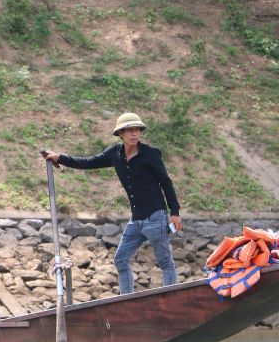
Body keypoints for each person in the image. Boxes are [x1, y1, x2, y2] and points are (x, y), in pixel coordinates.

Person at [43, 112, 182, 294]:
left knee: (165, 261)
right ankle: (126, 301)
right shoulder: (114, 154)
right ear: (120, 134)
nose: (134, 134)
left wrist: (175, 213)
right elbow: (88, 162)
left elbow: (166, 182)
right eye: (129, 131)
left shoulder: (150, 154)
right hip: (136, 220)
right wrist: (60, 158)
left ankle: (171, 299)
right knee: (121, 259)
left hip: (156, 217)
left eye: (137, 130)